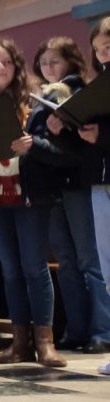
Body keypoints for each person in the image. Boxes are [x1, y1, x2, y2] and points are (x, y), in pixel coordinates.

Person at [0, 40, 69, 367]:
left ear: (17, 66)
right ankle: (20, 343)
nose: (1, 68)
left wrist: (32, 145)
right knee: (9, 270)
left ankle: (44, 343)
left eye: (7, 62)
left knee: (34, 268)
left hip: (30, 196)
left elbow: (62, 153)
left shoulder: (38, 104)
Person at [34, 36, 110, 353]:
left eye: (55, 61)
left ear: (70, 61)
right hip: (54, 187)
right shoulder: (42, 97)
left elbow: (83, 147)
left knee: (90, 260)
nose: (49, 67)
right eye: (43, 62)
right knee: (66, 261)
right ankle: (76, 329)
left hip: (79, 183)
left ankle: (102, 330)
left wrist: (59, 133)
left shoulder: (82, 91)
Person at [77, 19, 110, 375]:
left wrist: (102, 134)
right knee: (108, 265)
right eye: (99, 49)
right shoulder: (96, 85)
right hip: (100, 182)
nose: (103, 55)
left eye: (109, 47)